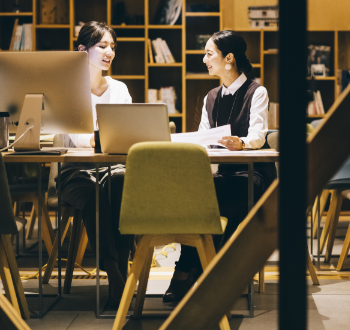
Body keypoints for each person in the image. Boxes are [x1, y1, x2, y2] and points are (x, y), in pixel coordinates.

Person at [163, 30, 277, 302]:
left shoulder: (256, 91)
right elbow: (204, 137)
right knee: (198, 198)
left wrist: (241, 142)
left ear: (229, 58)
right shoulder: (210, 96)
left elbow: (258, 136)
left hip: (253, 174)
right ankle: (211, 274)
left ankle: (190, 273)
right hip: (223, 174)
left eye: (208, 53)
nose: (204, 59)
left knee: (222, 198)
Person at [58, 21, 132, 307]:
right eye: (102, 46)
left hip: (113, 168)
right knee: (95, 194)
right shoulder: (68, 88)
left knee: (121, 182)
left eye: (112, 46)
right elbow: (79, 141)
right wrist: (106, 137)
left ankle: (120, 268)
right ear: (82, 50)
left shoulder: (120, 89)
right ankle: (113, 271)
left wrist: (104, 138)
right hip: (75, 173)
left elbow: (124, 136)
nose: (109, 52)